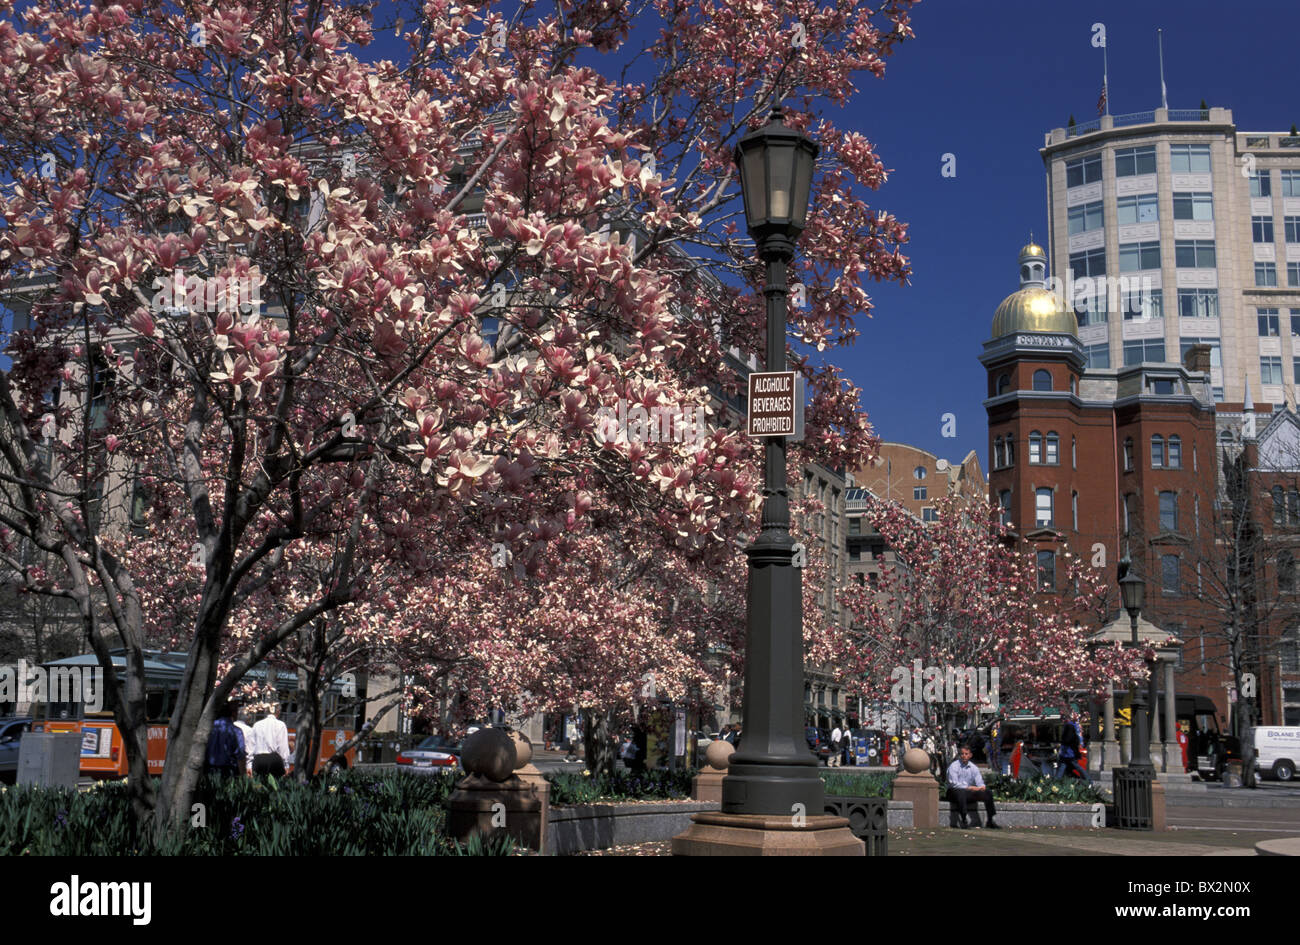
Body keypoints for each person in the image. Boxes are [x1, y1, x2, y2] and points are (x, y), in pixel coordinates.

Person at [946, 745, 1000, 829]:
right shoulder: (954, 766)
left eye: (966, 754)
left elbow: (980, 782)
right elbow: (954, 784)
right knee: (961, 792)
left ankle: (990, 820)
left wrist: (981, 787)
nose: (964, 756)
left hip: (967, 792)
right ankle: (964, 820)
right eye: (962, 754)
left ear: (970, 755)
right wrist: (969, 787)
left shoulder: (973, 767)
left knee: (987, 793)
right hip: (953, 792)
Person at [205, 701, 245, 778]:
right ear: (232, 713)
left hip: (208, 769)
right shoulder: (236, 731)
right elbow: (240, 754)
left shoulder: (208, 728)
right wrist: (243, 775)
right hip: (228, 770)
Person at [249, 704, 291, 777]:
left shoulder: (257, 724)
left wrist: (249, 764)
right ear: (278, 711)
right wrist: (286, 764)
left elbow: (251, 745)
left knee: (258, 785)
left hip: (258, 759)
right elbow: (283, 747)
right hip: (274, 759)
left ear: (266, 711)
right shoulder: (281, 725)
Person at [234, 708, 255, 776]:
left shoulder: (231, 725)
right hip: (243, 763)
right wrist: (249, 766)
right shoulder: (249, 730)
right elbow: (250, 749)